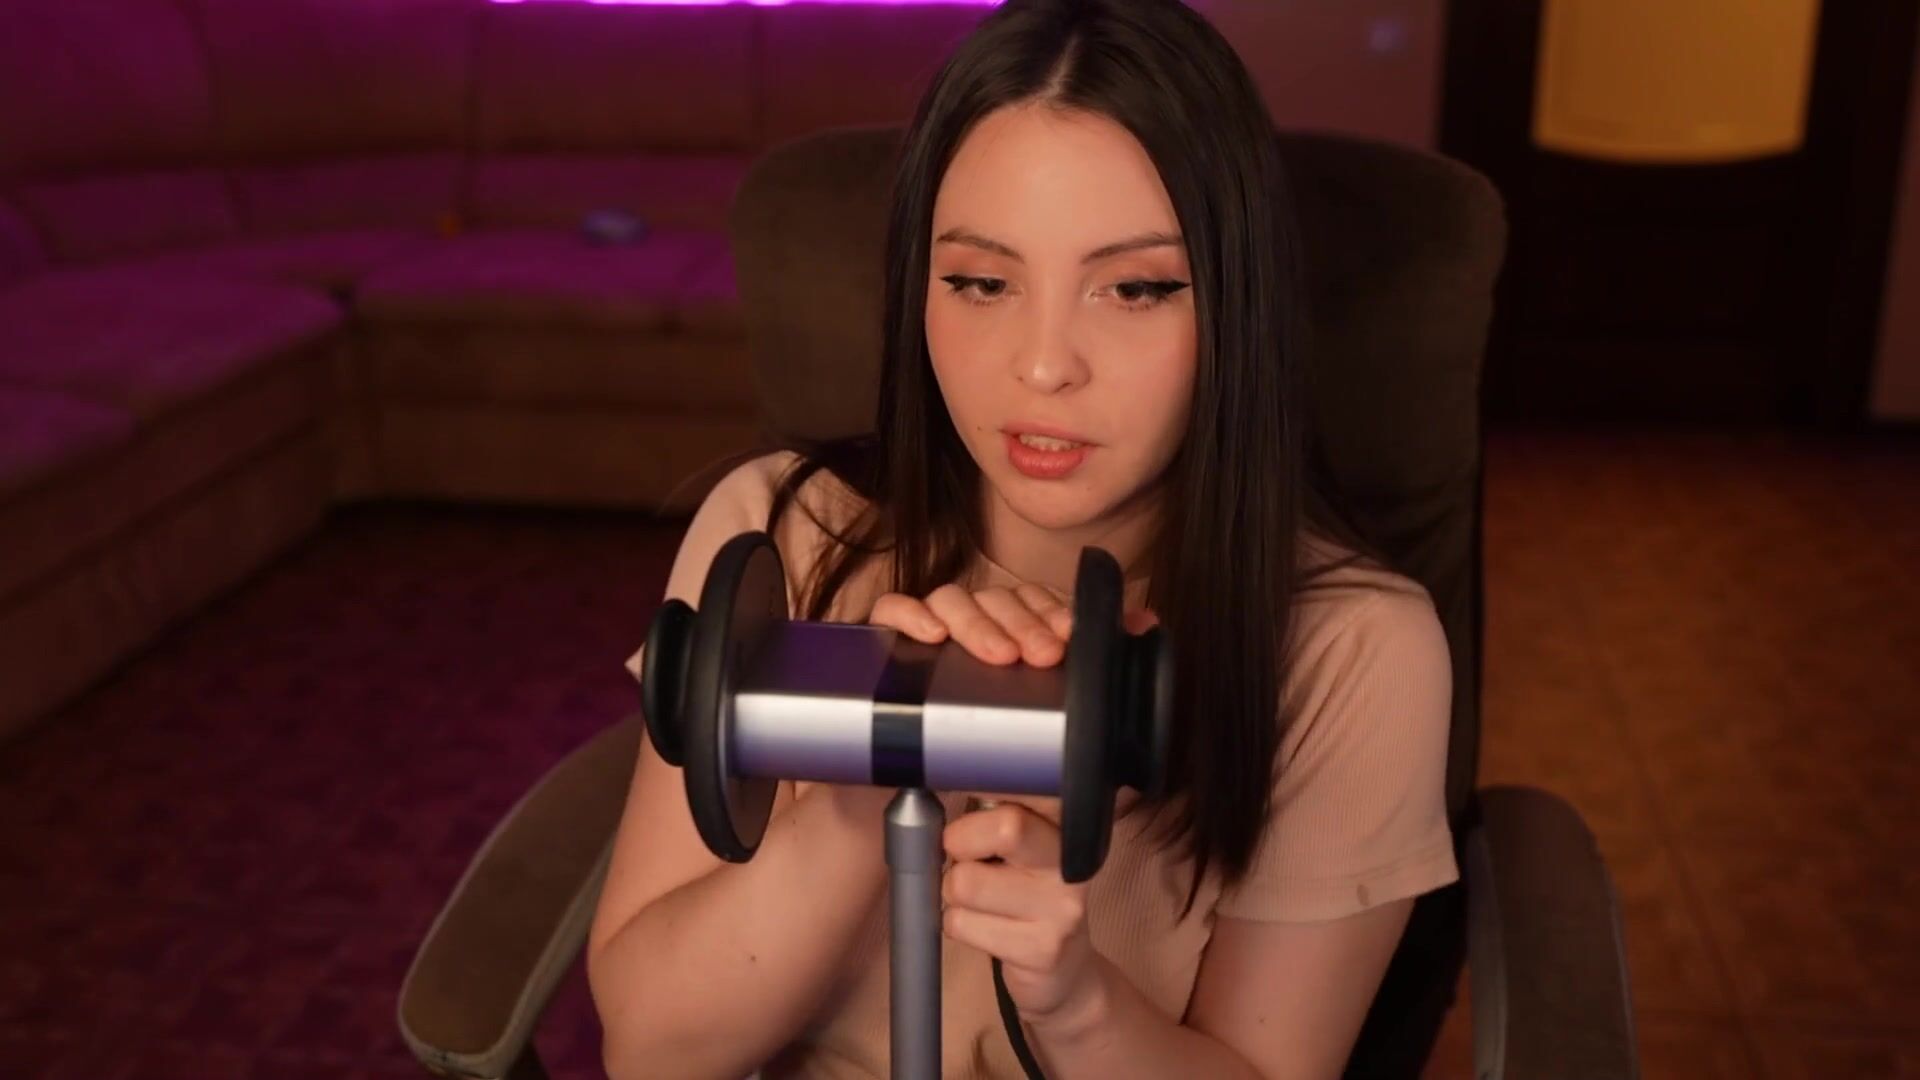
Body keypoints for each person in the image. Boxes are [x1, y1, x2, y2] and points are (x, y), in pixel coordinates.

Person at [586, 1, 1456, 1077]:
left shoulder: (1353, 649)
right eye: (982, 282)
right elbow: (652, 1051)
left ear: (1238, 303)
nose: (1043, 366)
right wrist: (875, 773)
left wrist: (1078, 1003)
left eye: (1135, 288)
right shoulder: (782, 531)